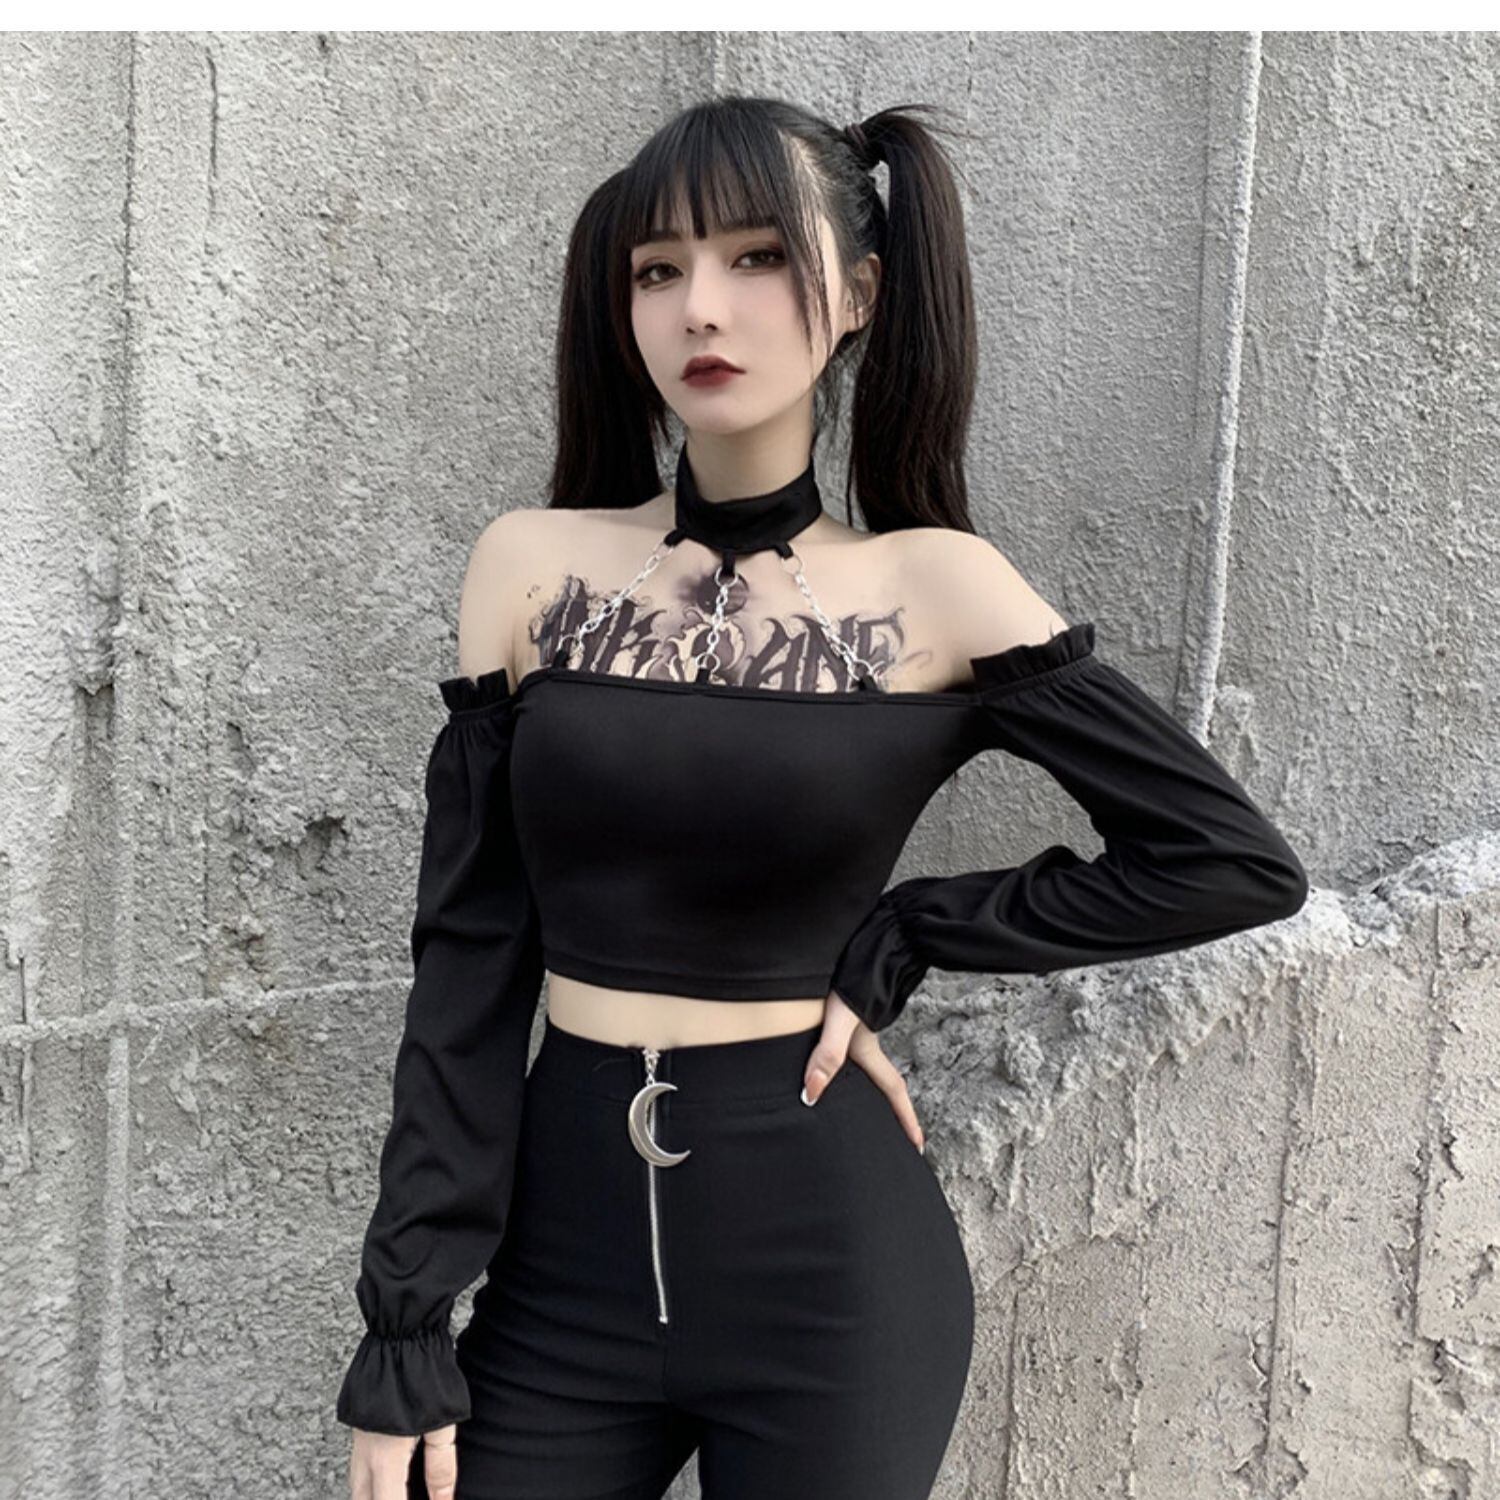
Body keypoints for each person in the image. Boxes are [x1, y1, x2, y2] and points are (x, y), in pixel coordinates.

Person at [335, 97, 1309, 1500]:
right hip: (561, 1276)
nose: (700, 306)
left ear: (856, 296)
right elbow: (467, 968)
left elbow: (1226, 859)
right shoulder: (529, 569)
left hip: (832, 1285)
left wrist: (913, 931)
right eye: (658, 268)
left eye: (754, 257)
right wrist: (407, 1318)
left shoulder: (938, 587)